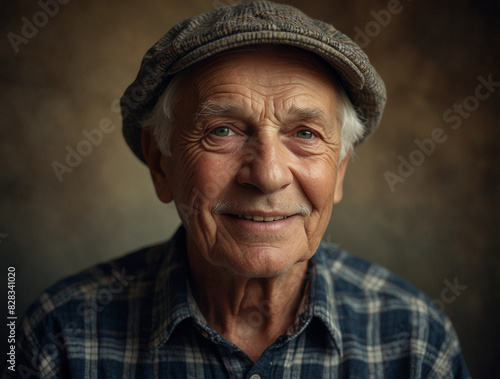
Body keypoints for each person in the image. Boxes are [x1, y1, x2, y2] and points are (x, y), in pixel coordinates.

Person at [7, 1, 470, 378]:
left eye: (305, 133)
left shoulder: (416, 340)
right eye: (223, 131)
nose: (268, 175)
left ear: (341, 170)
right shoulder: (59, 337)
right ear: (160, 164)